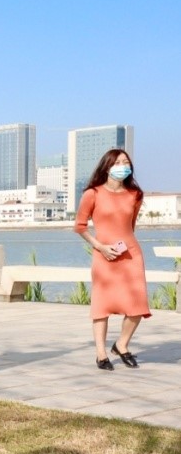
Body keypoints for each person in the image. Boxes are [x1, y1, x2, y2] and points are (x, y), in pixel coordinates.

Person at [74, 149, 150, 370]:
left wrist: (125, 246)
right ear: (107, 166)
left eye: (126, 162)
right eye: (118, 162)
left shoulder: (135, 194)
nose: (123, 165)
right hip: (103, 254)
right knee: (102, 305)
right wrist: (100, 247)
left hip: (131, 254)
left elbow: (131, 225)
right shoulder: (93, 194)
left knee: (138, 305)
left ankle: (122, 345)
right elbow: (79, 226)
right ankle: (101, 354)